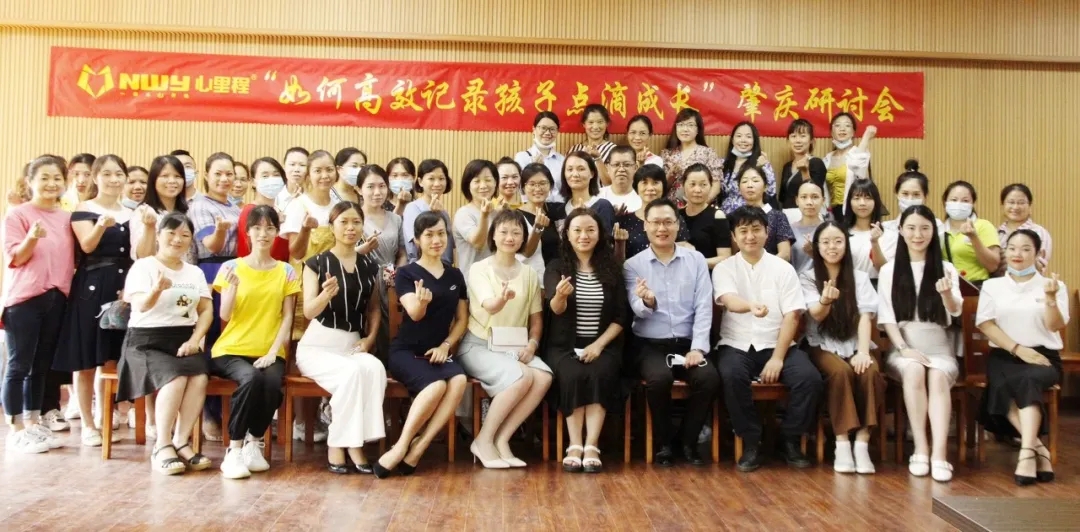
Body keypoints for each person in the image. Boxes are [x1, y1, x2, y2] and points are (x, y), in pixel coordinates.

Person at [714, 206, 822, 471]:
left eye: (756, 229)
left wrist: (777, 358)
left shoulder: (783, 269)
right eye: (743, 231)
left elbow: (792, 316)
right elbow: (729, 300)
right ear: (734, 236)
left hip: (778, 344)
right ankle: (752, 441)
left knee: (810, 379)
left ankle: (789, 439)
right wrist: (750, 306)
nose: (750, 236)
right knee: (730, 375)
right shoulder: (724, 268)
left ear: (767, 232)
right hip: (736, 344)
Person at [115, 213, 213, 474]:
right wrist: (157, 289)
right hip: (145, 341)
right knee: (175, 378)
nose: (177, 239)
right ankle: (162, 444)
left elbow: (206, 310)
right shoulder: (143, 267)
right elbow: (139, 306)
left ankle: (181, 441)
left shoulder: (194, 272)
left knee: (199, 377)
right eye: (171, 233)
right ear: (158, 236)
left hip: (183, 339)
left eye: (185, 235)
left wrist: (195, 340)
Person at [624, 198, 719, 466]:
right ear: (645, 226)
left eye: (668, 222)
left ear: (678, 225)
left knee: (709, 378)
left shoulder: (696, 260)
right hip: (650, 344)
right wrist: (648, 301)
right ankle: (663, 442)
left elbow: (704, 306)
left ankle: (687, 441)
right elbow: (636, 308)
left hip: (688, 343)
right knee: (658, 379)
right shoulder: (633, 265)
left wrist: (698, 348)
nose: (661, 228)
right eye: (655, 222)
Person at [209, 205, 300, 479]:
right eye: (257, 228)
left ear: (277, 232)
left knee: (271, 383)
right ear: (247, 232)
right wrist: (233, 288)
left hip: (269, 350)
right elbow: (224, 315)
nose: (263, 233)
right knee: (250, 378)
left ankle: (254, 442)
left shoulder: (286, 271)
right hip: (231, 350)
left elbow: (287, 317)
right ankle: (234, 450)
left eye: (270, 228)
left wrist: (274, 352)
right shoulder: (230, 267)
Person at [296, 201, 386, 474]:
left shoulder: (369, 265)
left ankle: (357, 440)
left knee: (374, 368)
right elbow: (309, 311)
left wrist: (370, 339)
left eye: (356, 222)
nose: (350, 227)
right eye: (343, 222)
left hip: (352, 344)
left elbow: (374, 308)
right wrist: (326, 295)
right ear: (332, 227)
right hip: (317, 346)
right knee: (351, 374)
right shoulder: (316, 263)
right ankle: (341, 444)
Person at [458, 209, 552, 468]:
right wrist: (501, 299)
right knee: (522, 377)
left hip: (515, 347)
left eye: (516, 232)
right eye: (504, 232)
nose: (510, 237)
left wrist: (532, 344)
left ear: (523, 238)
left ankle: (501, 439)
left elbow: (536, 318)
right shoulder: (479, 269)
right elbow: (489, 305)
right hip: (478, 345)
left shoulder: (530, 273)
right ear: (493, 236)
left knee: (543, 377)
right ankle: (483, 440)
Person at [379, 212, 468, 477]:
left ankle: (420, 446)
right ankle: (401, 446)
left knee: (459, 380)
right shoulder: (406, 273)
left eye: (441, 234)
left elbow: (462, 319)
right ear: (417, 240)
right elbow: (415, 315)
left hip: (438, 351)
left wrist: (446, 346)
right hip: (406, 351)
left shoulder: (455, 275)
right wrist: (422, 303)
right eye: (429, 235)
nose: (436, 240)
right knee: (436, 385)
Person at [877, 205, 963, 482]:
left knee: (937, 375)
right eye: (911, 228)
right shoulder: (889, 270)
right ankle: (920, 448)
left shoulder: (946, 268)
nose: (918, 234)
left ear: (933, 232)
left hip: (939, 348)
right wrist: (905, 349)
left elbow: (956, 311)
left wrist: (947, 295)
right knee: (914, 370)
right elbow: (887, 318)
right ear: (901, 231)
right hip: (903, 346)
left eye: (925, 228)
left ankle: (940, 454)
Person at [53, 154, 132, 447]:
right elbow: (87, 246)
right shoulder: (84, 210)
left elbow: (139, 252)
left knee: (111, 358)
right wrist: (101, 226)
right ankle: (87, 423)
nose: (114, 179)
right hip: (91, 287)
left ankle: (105, 416)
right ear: (96, 177)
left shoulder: (131, 212)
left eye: (119, 173)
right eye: (107, 174)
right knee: (86, 358)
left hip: (123, 286)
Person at [977, 229, 1066, 485]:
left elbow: (1054, 325)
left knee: (1027, 380)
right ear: (1005, 252)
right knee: (1003, 383)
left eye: (1026, 249)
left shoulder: (1054, 286)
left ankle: (1027, 452)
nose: (1018, 254)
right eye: (1013, 248)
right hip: (1005, 354)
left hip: (1043, 356)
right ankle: (1037, 450)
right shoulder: (993, 286)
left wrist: (1050, 299)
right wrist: (1017, 349)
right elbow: (986, 324)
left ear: (1038, 253)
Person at [2, 155, 75, 454]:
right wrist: (32, 237)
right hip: (24, 300)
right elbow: (16, 257)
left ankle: (33, 423)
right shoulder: (17, 215)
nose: (51, 184)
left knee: (41, 365)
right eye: (44, 178)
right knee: (18, 364)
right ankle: (15, 428)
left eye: (57, 178)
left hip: (57, 297)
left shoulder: (68, 218)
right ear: (30, 182)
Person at [545, 209, 626, 473]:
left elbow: (621, 317)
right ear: (567, 235)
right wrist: (560, 296)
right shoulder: (556, 267)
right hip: (564, 346)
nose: (584, 235)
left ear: (600, 234)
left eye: (590, 230)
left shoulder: (612, 268)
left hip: (603, 345)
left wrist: (598, 345)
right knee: (572, 374)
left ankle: (592, 445)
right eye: (577, 230)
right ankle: (574, 444)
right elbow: (555, 309)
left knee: (600, 372)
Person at [801, 221, 884, 474]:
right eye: (825, 242)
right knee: (840, 372)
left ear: (846, 245)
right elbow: (815, 315)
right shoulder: (807, 277)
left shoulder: (859, 277)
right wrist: (825, 301)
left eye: (838, 241)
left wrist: (863, 352)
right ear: (816, 246)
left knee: (869, 371)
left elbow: (865, 318)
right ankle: (842, 443)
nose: (832, 247)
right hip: (820, 343)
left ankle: (862, 443)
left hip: (855, 342)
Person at [187, 152, 240, 442]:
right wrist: (220, 231)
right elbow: (212, 245)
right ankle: (208, 413)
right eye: (218, 173)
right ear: (206, 175)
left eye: (229, 173)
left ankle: (230, 412)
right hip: (212, 273)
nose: (224, 179)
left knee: (232, 342)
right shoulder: (200, 205)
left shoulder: (235, 206)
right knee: (212, 342)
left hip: (237, 272)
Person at [614, 165, 691, 260]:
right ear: (636, 187)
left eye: (655, 182)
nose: (650, 188)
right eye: (644, 183)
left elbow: (683, 253)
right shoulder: (625, 221)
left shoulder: (674, 218)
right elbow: (617, 261)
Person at [881, 159, 943, 262]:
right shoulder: (886, 228)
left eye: (916, 194)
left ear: (925, 196)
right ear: (897, 194)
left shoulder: (937, 226)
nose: (910, 199)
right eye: (905, 194)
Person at [941, 180, 1000, 284]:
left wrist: (973, 237)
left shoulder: (983, 226)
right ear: (945, 202)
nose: (959, 204)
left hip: (977, 287)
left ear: (972, 203)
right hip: (948, 288)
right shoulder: (939, 230)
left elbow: (993, 266)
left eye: (965, 200)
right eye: (954, 200)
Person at [661, 109, 723, 206]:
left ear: (698, 129)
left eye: (690, 125)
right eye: (681, 125)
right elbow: (661, 188)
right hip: (671, 208)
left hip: (700, 207)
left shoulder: (708, 153)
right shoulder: (667, 154)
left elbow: (716, 186)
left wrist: (701, 204)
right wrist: (670, 176)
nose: (685, 129)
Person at [678, 163, 731, 268]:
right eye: (692, 184)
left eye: (703, 185)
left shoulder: (717, 216)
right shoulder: (676, 215)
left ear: (710, 186)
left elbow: (725, 258)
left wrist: (696, 261)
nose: (697, 190)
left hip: (707, 273)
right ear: (683, 186)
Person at [736, 164, 794, 261]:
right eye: (745, 181)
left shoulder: (778, 216)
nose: (750, 185)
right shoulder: (734, 217)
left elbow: (785, 254)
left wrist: (762, 267)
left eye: (755, 181)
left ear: (765, 187)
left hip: (773, 267)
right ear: (739, 188)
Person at [237, 157, 290, 262]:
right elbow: (253, 250)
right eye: (265, 176)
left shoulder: (280, 212)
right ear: (253, 182)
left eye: (276, 175)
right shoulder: (250, 211)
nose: (272, 180)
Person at [402, 159, 455, 264]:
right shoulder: (412, 208)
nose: (437, 183)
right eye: (431, 178)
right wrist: (433, 216)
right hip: (421, 268)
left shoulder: (444, 212)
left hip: (444, 267)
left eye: (441, 178)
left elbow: (450, 247)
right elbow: (418, 243)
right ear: (420, 181)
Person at [452, 159, 498, 279]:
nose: (483, 186)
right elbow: (478, 243)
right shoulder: (464, 214)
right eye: (477, 181)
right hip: (473, 281)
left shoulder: (499, 214)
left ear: (496, 183)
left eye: (488, 180)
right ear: (468, 185)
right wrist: (484, 216)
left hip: (498, 280)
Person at [822, 113, 875, 213]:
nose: (842, 129)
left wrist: (866, 138)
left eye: (847, 125)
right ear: (832, 132)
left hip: (854, 211)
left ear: (853, 132)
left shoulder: (859, 154)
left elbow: (860, 173)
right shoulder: (827, 159)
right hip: (831, 213)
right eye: (837, 125)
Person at [841, 180, 893, 281]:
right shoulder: (841, 234)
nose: (862, 203)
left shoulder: (888, 235)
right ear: (849, 202)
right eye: (857, 198)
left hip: (878, 285)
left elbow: (885, 270)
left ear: (876, 202)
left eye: (868, 198)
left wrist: (875, 242)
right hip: (849, 285)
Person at [719, 121, 775, 214]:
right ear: (732, 140)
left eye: (748, 137)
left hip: (753, 214)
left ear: (754, 141)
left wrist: (760, 168)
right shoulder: (722, 164)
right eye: (739, 136)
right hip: (726, 214)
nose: (743, 140)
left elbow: (771, 192)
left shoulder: (762, 162)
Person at [517, 163, 564, 269]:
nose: (537, 189)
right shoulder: (517, 216)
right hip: (533, 275)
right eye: (532, 184)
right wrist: (537, 229)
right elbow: (526, 252)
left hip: (560, 274)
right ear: (523, 188)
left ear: (550, 186)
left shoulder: (557, 210)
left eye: (543, 183)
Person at [998, 184, 1052, 273]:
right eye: (1011, 202)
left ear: (1029, 205)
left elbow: (1040, 266)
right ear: (1002, 205)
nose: (1015, 207)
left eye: (1021, 203)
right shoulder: (995, 233)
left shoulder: (1039, 232)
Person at [514, 112, 566, 201]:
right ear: (534, 129)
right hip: (530, 206)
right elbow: (519, 189)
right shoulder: (522, 158)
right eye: (543, 128)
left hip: (557, 207)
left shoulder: (562, 160)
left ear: (557, 131)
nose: (547, 133)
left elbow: (564, 191)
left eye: (552, 129)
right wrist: (532, 171)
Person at [778, 119, 827, 209]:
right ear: (788, 140)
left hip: (808, 213)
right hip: (787, 214)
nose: (797, 140)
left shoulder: (816, 163)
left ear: (811, 140)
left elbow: (816, 195)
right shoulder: (787, 166)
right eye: (793, 136)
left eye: (802, 136)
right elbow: (782, 198)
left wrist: (805, 172)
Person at [567, 104, 617, 185]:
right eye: (591, 122)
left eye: (600, 122)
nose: (595, 127)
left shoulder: (614, 150)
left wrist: (598, 158)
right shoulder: (574, 149)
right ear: (584, 124)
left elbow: (611, 184)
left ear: (607, 123)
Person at [790, 181, 827, 274]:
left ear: (823, 200)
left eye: (815, 197)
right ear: (797, 200)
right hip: (795, 281)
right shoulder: (789, 230)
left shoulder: (830, 230)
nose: (809, 202)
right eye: (804, 197)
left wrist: (814, 253)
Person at [598, 145, 643, 213]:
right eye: (616, 165)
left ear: (635, 167)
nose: (621, 169)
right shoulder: (597, 196)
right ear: (607, 167)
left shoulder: (644, 197)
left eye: (627, 165)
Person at [275, 147, 309, 212]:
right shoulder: (276, 195)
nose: (296, 170)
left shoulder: (314, 196)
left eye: (302, 165)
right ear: (284, 166)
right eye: (292, 164)